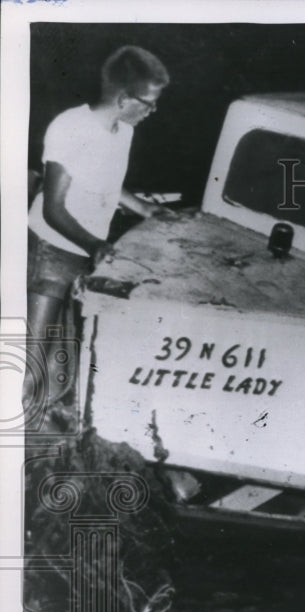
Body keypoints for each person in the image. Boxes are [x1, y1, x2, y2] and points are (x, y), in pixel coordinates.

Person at [26, 45, 174, 422]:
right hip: (51, 250)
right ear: (124, 98)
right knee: (31, 359)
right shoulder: (70, 127)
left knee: (63, 363)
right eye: (149, 103)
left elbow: (107, 183)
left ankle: (44, 419)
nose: (152, 111)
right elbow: (53, 208)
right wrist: (96, 244)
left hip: (82, 255)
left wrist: (145, 207)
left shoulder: (122, 130)